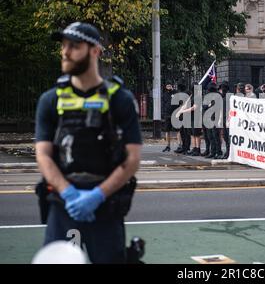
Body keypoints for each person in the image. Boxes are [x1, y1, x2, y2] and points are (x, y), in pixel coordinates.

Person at [35, 22, 142, 263]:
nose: (65, 52)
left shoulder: (120, 100)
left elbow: (133, 159)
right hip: (63, 206)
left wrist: (98, 195)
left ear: (95, 50)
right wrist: (68, 193)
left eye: (74, 46)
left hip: (106, 206)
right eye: (64, 46)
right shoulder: (50, 100)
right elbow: (43, 155)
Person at [161, 83, 176, 152]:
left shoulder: (175, 93)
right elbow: (163, 104)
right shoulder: (164, 94)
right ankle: (168, 145)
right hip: (167, 114)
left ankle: (180, 145)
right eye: (167, 86)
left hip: (175, 114)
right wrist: (163, 113)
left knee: (178, 130)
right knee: (167, 130)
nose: (168, 87)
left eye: (170, 85)